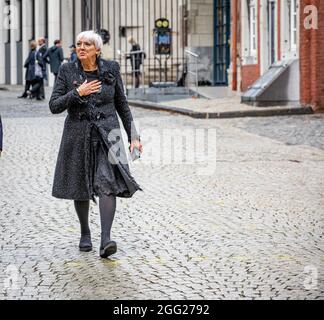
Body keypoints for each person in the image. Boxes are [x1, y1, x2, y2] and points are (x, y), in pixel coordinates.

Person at [49, 30, 143, 259]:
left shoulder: (111, 69)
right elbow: (54, 105)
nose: (81, 47)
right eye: (78, 44)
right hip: (77, 134)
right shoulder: (66, 70)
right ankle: (84, 232)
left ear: (97, 49)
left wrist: (134, 136)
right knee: (79, 184)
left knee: (107, 183)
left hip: (110, 134)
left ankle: (106, 239)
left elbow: (122, 103)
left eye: (87, 44)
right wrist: (77, 93)